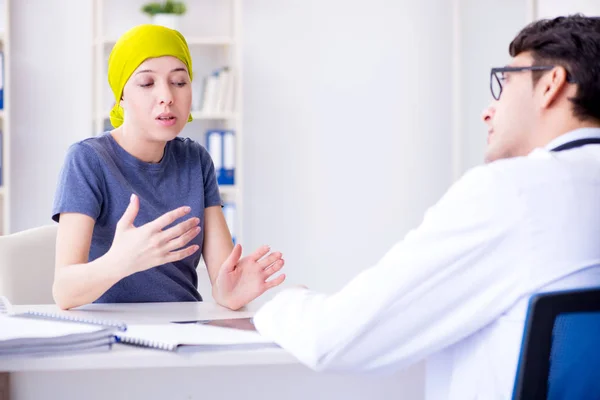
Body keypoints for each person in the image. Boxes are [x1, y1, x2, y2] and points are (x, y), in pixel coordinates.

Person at [252, 14, 600, 399]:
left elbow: (336, 340)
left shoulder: (511, 192)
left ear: (551, 83)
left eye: (505, 82)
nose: (489, 110)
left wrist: (280, 302)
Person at [51, 24, 285, 311]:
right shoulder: (88, 159)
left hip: (182, 330)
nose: (167, 96)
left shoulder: (195, 159)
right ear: (121, 96)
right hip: (110, 335)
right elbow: (63, 291)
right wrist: (120, 262)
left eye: (179, 82)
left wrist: (231, 291)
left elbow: (223, 280)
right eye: (147, 83)